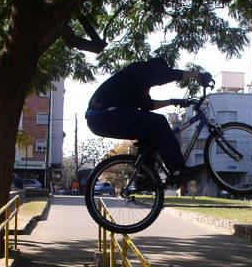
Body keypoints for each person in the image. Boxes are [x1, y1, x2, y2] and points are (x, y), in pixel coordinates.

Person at [85, 57, 207, 186]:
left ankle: (144, 175)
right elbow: (166, 75)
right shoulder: (141, 69)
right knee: (159, 122)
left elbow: (149, 105)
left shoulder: (135, 84)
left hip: (100, 119)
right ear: (155, 69)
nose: (157, 83)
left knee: (149, 131)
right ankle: (178, 171)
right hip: (105, 115)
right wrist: (197, 75)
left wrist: (173, 101)